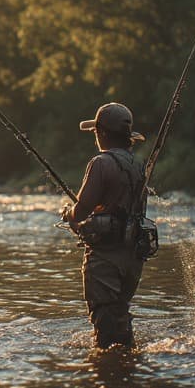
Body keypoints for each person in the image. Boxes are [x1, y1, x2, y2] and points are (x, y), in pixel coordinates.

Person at [62, 103, 149, 349]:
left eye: (95, 132)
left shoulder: (100, 163)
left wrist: (68, 214)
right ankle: (129, 363)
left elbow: (81, 211)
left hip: (106, 258)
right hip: (133, 258)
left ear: (101, 132)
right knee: (119, 315)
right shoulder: (138, 165)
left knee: (106, 324)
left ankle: (110, 368)